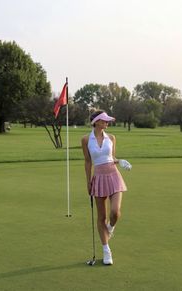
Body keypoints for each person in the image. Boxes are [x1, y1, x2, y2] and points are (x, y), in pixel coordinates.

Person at [81, 110, 127, 265]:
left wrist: (120, 161)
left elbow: (112, 157)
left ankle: (110, 228)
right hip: (98, 178)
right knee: (101, 217)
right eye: (105, 120)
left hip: (114, 175)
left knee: (115, 212)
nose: (107, 123)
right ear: (97, 121)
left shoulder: (112, 138)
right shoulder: (86, 139)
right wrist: (88, 182)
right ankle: (106, 251)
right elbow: (88, 162)